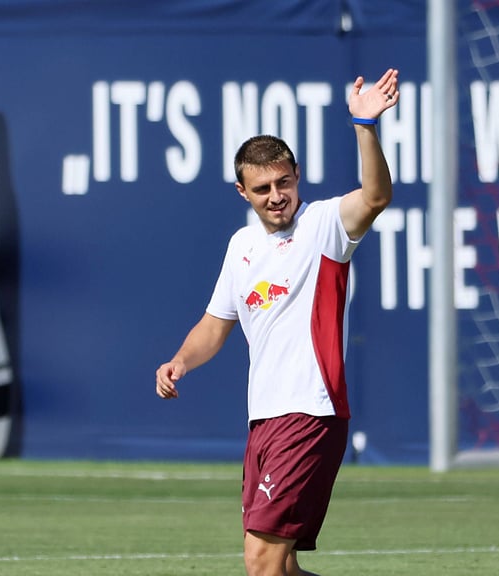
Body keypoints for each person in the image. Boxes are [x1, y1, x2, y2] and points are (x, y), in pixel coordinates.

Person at [155, 68, 400, 576]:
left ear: (297, 177)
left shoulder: (325, 226)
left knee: (261, 563)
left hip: (308, 412)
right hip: (264, 420)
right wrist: (180, 361)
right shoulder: (241, 247)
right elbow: (215, 324)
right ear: (242, 191)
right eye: (262, 187)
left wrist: (364, 125)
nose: (276, 195)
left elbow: (375, 197)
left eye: (283, 182)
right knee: (280, 568)